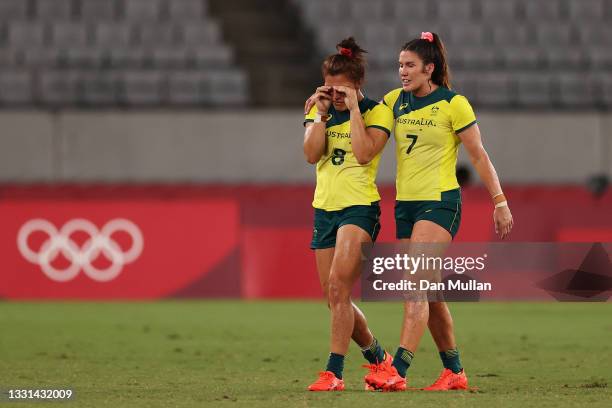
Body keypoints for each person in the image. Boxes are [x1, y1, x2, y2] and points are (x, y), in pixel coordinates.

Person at [364, 31, 514, 391]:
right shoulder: (393, 101)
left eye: (410, 65)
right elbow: (362, 112)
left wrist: (500, 201)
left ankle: (396, 370)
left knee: (413, 287)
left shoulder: (454, 103)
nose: (402, 71)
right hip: (405, 205)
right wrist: (332, 97)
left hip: (440, 202)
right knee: (430, 292)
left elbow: (478, 154)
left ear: (429, 69)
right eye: (400, 65)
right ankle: (454, 371)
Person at [303, 37, 395, 391]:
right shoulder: (318, 109)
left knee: (340, 287)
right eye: (330, 87)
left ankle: (334, 372)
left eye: (343, 90)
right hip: (324, 208)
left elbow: (363, 154)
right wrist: (321, 114)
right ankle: (377, 357)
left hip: (359, 208)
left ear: (358, 86)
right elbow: (312, 155)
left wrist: (354, 110)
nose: (336, 94)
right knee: (334, 298)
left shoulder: (376, 112)